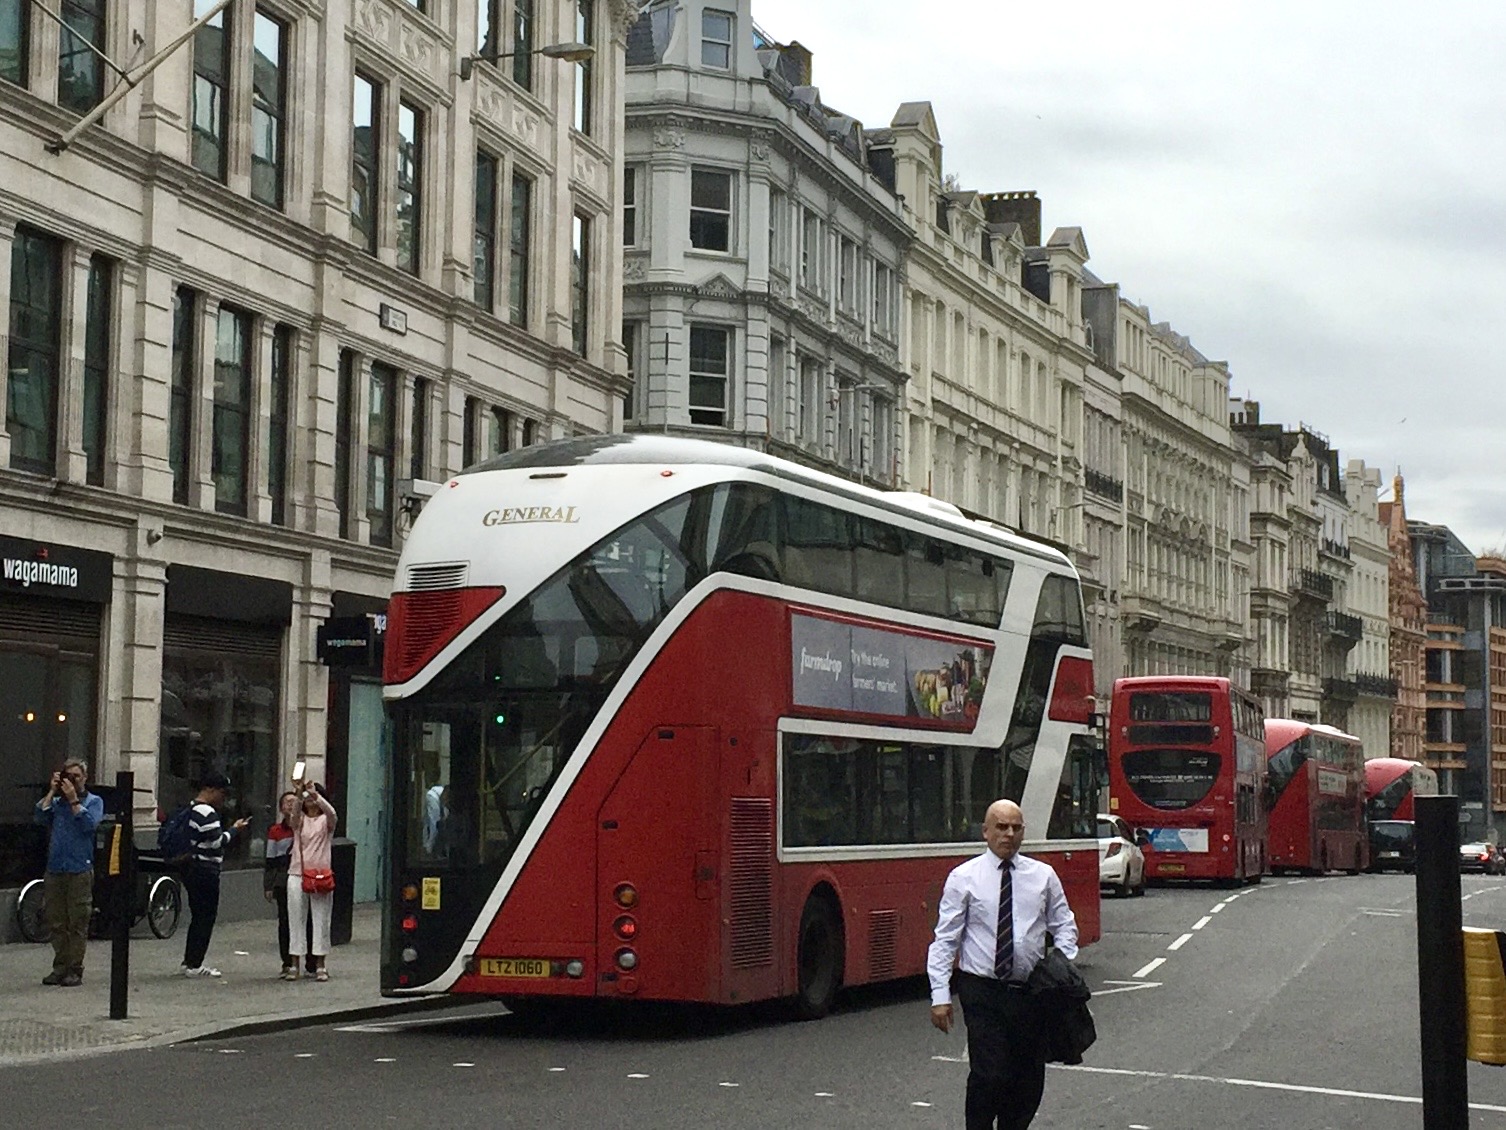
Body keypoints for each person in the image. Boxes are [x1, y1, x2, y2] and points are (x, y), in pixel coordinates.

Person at [927, 799, 1079, 1130]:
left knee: (1027, 1079)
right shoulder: (963, 877)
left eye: (1015, 827)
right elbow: (946, 939)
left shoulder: (1043, 876)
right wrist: (940, 995)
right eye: (1001, 827)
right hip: (982, 990)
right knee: (990, 1072)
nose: (1008, 834)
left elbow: (1064, 924)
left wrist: (1062, 969)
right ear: (986, 832)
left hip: (1030, 991)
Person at [32, 759, 104, 987]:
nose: (72, 781)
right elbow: (39, 817)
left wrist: (74, 800)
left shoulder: (93, 801)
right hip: (55, 867)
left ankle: (75, 968)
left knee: (77, 921)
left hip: (79, 869)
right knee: (56, 921)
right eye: (68, 776)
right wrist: (53, 790)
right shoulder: (56, 803)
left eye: (76, 776)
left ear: (84, 779)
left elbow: (90, 825)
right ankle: (59, 965)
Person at [180, 770, 251, 978]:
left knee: (197, 916)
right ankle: (195, 964)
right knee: (205, 917)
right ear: (209, 789)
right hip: (205, 869)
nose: (224, 798)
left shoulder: (191, 808)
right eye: (222, 792)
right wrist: (234, 830)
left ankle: (189, 960)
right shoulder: (206, 812)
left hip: (192, 867)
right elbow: (217, 842)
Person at [287, 778, 338, 982]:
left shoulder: (326, 822)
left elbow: (333, 814)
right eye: (308, 799)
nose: (311, 802)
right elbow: (293, 815)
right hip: (298, 873)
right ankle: (294, 963)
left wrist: (316, 794)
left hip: (320, 875)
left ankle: (320, 964)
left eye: (313, 799)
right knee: (296, 919)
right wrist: (300, 793)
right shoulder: (299, 822)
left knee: (321, 920)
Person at [264, 791, 298, 980]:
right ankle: (287, 961)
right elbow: (270, 860)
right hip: (282, 879)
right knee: (284, 921)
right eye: (287, 802)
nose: (290, 805)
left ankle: (306, 959)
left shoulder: (302, 827)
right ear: (281, 808)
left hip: (301, 876)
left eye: (294, 801)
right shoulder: (275, 831)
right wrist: (268, 885)